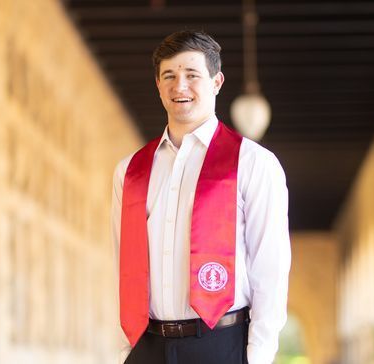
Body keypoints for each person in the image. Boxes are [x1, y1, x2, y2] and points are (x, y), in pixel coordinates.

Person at [111, 30, 291, 364]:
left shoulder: (253, 163)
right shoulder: (130, 171)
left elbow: (271, 268)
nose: (180, 86)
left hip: (221, 344)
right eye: (169, 76)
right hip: (147, 346)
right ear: (158, 85)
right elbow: (125, 262)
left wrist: (259, 356)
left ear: (216, 81)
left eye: (192, 75)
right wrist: (127, 350)